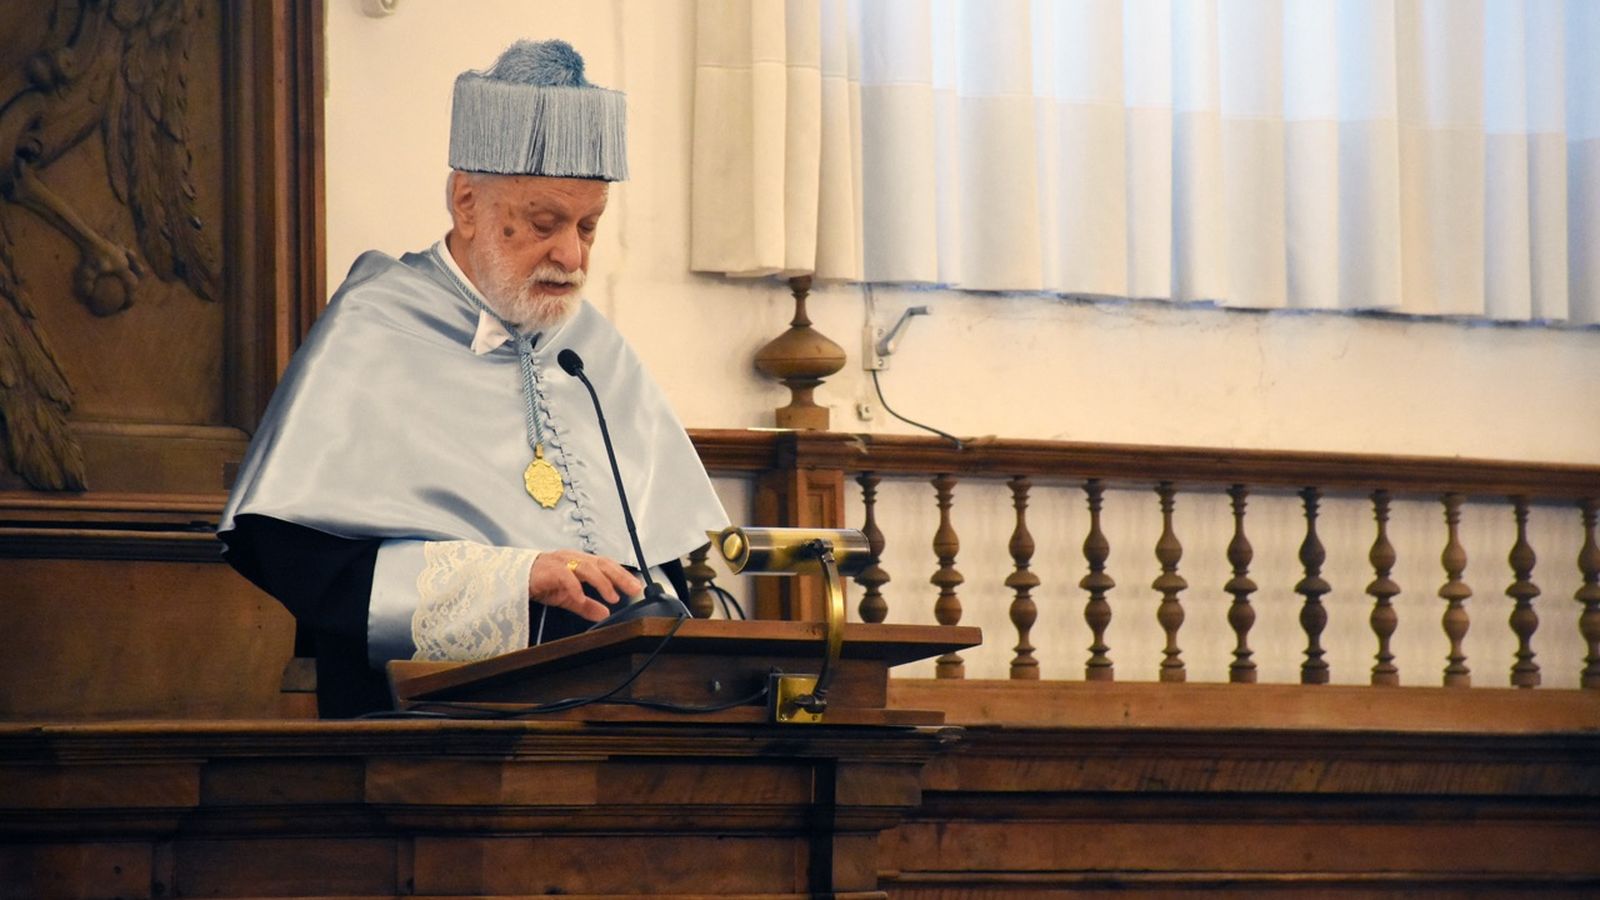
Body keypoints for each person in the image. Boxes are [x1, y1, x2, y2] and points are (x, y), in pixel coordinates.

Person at [218, 39, 728, 718]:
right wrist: (514, 579)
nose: (572, 255)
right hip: (421, 728)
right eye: (546, 223)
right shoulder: (375, 328)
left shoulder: (589, 347)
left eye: (589, 226)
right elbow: (300, 562)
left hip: (609, 727)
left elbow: (652, 557)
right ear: (466, 203)